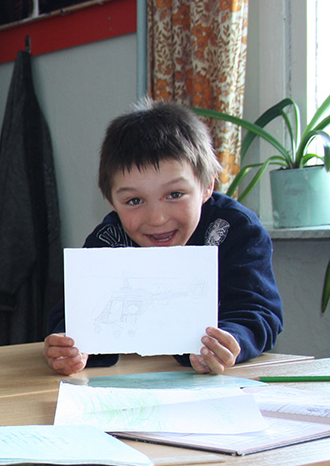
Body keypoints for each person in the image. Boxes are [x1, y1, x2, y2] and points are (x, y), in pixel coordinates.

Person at [43, 100, 284, 375]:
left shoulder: (238, 231)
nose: (157, 218)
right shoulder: (109, 240)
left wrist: (231, 342)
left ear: (207, 187)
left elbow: (258, 312)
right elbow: (70, 315)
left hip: (216, 386)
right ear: (111, 201)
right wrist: (68, 346)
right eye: (134, 200)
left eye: (174, 195)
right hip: (128, 385)